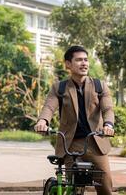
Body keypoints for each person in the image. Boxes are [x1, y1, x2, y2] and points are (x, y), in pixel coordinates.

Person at [34, 45, 115, 195]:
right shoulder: (60, 87)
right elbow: (49, 107)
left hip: (95, 143)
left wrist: (108, 124)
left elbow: (108, 109)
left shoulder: (99, 86)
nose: (84, 63)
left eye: (85, 60)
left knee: (105, 188)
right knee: (74, 189)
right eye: (78, 60)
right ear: (68, 64)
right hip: (70, 144)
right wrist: (42, 121)